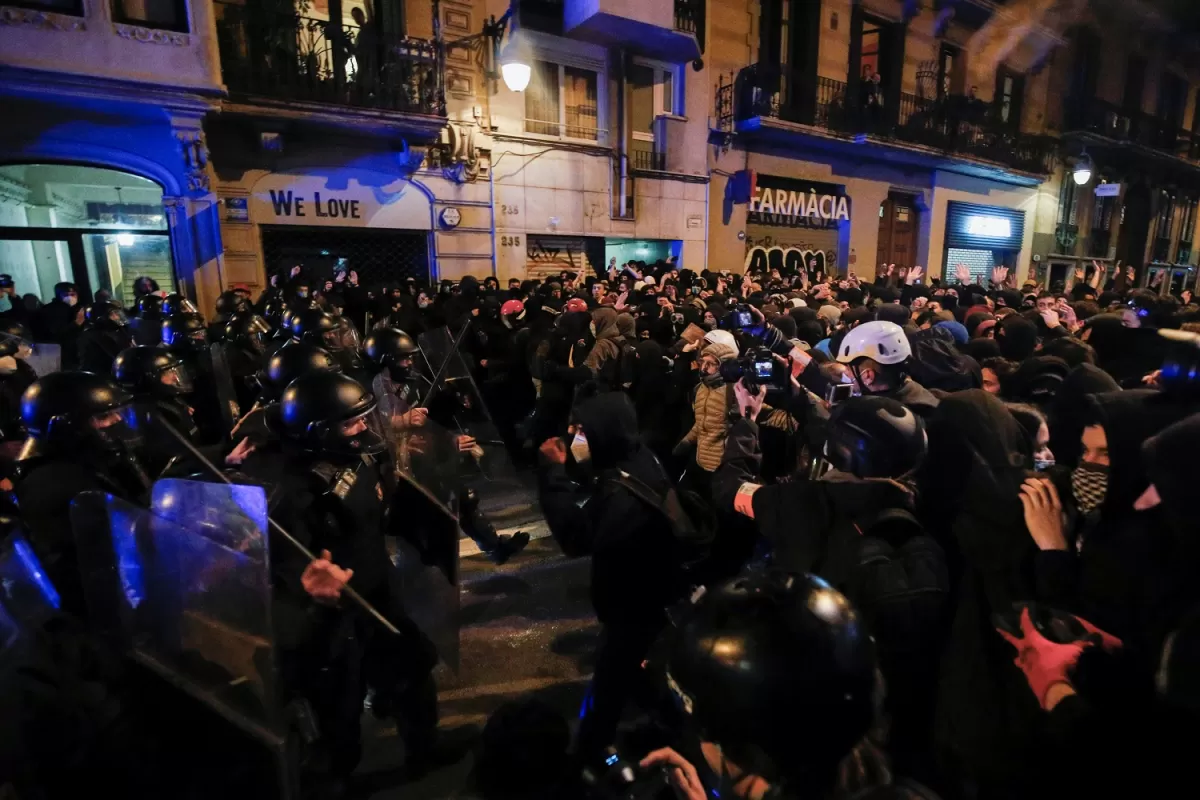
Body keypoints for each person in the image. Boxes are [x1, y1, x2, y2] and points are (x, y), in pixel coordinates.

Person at [238, 370, 449, 787]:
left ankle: (425, 753)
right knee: (339, 716)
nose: (363, 428)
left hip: (375, 589)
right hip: (331, 618)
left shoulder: (354, 454)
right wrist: (314, 599)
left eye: (364, 417)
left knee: (412, 670)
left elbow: (376, 509)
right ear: (318, 431)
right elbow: (282, 577)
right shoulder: (287, 493)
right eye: (352, 422)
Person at [537, 392, 687, 759]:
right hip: (647, 594)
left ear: (604, 432)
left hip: (634, 604)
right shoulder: (636, 456)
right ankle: (671, 722)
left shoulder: (622, 498)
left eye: (581, 429)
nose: (573, 435)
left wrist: (553, 474)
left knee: (608, 685)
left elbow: (575, 537)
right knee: (632, 674)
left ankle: (587, 757)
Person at [363, 327, 530, 565]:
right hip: (400, 472)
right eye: (403, 358)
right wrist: (404, 423)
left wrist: (450, 431)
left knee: (463, 498)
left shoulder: (406, 382)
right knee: (420, 527)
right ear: (385, 360)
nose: (409, 362)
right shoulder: (372, 391)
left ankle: (494, 547)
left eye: (411, 356)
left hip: (424, 461)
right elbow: (379, 434)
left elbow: (427, 423)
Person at [13, 371, 151, 614]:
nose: (117, 419)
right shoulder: (51, 485)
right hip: (106, 608)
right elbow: (96, 564)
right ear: (69, 427)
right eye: (104, 416)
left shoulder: (86, 458)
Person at [835, 320, 940, 416]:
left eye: (848, 369)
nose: (846, 373)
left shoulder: (877, 417)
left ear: (868, 376)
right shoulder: (917, 395)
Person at [76, 301, 134, 375]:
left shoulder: (119, 331)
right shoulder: (91, 335)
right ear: (101, 317)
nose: (117, 317)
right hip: (101, 377)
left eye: (117, 313)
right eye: (112, 314)